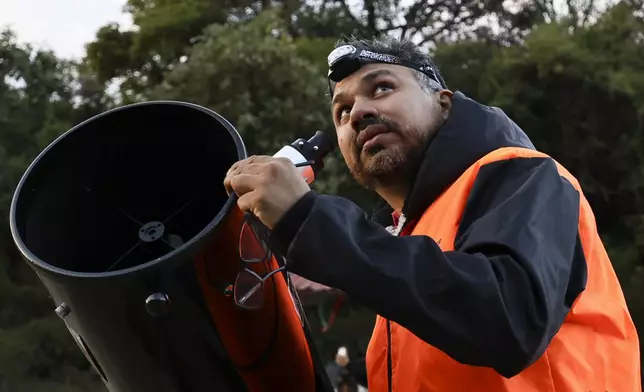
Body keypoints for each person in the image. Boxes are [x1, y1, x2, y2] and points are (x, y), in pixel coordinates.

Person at [223, 36, 642, 391]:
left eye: (382, 88)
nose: (358, 113)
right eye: (341, 111)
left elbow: (510, 317)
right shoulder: (407, 243)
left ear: (443, 102)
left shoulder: (524, 172)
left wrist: (309, 222)